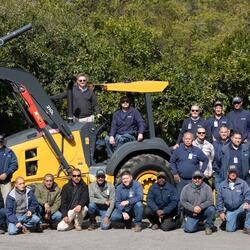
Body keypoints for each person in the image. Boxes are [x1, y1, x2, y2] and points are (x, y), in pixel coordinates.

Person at [170, 132, 209, 197]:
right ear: (183, 139)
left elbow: (206, 160)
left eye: (189, 139)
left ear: (192, 140)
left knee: (194, 198)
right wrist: (175, 173)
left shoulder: (197, 151)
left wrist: (201, 172)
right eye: (186, 139)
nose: (188, 140)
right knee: (180, 199)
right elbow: (172, 161)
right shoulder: (178, 150)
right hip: (181, 180)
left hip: (194, 180)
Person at [180, 170, 216, 235]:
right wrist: (193, 208)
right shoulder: (186, 188)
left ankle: (208, 226)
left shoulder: (207, 187)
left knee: (212, 209)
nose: (197, 180)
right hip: (192, 212)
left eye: (199, 178)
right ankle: (197, 224)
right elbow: (183, 201)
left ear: (202, 179)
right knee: (189, 229)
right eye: (195, 178)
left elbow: (211, 200)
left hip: (203, 211)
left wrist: (200, 207)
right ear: (192, 179)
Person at [216, 165, 250, 234]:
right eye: (231, 172)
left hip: (241, 207)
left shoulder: (242, 183)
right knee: (230, 229)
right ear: (228, 173)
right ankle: (237, 221)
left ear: (237, 173)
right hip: (230, 210)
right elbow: (219, 200)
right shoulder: (222, 185)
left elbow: (248, 194)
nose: (233, 174)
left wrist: (246, 201)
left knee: (249, 207)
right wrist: (221, 212)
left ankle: (247, 227)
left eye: (234, 172)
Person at [0, 134, 18, 202]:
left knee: (7, 202)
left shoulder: (9, 152)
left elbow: (15, 164)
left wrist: (6, 173)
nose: (0, 144)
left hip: (6, 182)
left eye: (1, 142)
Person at [213, 126, 231, 190]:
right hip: (218, 173)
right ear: (219, 133)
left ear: (228, 133)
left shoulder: (231, 144)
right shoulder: (214, 144)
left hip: (229, 173)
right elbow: (212, 158)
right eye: (222, 132)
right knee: (219, 193)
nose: (224, 134)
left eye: (225, 132)